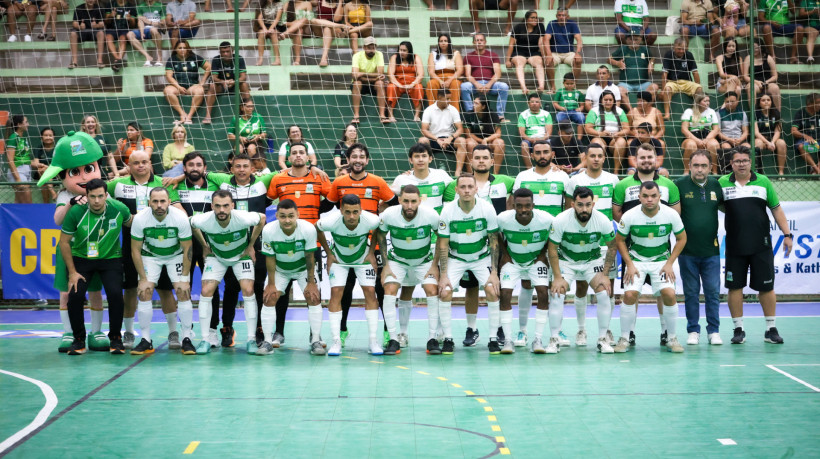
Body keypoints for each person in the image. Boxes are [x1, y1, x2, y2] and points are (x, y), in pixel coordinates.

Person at [39, 131, 107, 352]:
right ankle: (69, 332)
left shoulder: (102, 193)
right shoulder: (65, 196)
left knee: (95, 292)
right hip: (69, 249)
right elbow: (58, 220)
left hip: (94, 249)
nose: (84, 177)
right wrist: (71, 203)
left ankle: (96, 331)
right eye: (75, 172)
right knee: (66, 292)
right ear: (63, 176)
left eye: (89, 169)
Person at [441, 146, 515, 347]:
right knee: (469, 289)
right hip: (460, 252)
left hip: (488, 249)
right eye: (477, 157)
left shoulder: (505, 181)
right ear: (470, 161)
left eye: (485, 157)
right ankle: (469, 330)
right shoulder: (453, 188)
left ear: (492, 160)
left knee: (495, 288)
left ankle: (497, 331)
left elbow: (522, 191)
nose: (481, 161)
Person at [108, 150, 180, 349]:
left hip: (161, 246)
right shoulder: (117, 185)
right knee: (131, 289)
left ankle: (173, 333)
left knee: (165, 290)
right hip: (131, 246)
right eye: (136, 163)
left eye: (144, 162)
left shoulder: (163, 184)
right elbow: (96, 193)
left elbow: (178, 211)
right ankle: (129, 333)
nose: (140, 165)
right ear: (129, 166)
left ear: (150, 163)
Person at [721, 148, 793, 344]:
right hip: (735, 246)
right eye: (737, 161)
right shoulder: (722, 183)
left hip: (761, 245)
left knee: (766, 287)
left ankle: (771, 329)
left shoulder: (763, 182)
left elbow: (776, 209)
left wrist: (787, 234)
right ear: (731, 164)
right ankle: (738, 329)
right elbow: (717, 206)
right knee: (735, 287)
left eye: (745, 160)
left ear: (750, 162)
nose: (741, 164)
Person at [612, 144, 681, 347]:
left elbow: (676, 214)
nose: (646, 161)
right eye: (642, 157)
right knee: (631, 293)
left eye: (650, 157)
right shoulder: (623, 185)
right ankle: (629, 334)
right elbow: (617, 213)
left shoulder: (669, 185)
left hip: (660, 247)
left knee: (663, 292)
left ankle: (666, 333)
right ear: (635, 160)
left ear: (656, 159)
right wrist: (634, 227)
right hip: (633, 249)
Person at [205, 154, 276, 346]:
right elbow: (203, 173)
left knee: (257, 287)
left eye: (246, 166)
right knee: (231, 287)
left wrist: (315, 168)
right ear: (232, 169)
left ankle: (259, 329)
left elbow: (288, 171)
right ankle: (227, 328)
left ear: (253, 168)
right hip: (232, 244)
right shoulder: (222, 181)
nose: (242, 170)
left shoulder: (263, 181)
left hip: (257, 244)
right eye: (238, 166)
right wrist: (178, 177)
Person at [265, 143, 331, 346]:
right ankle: (278, 333)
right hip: (284, 241)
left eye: (302, 152)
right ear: (288, 158)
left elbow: (332, 200)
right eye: (294, 153)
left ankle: (315, 335)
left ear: (308, 157)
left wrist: (316, 212)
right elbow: (266, 200)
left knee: (312, 290)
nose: (298, 155)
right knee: (281, 292)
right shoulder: (279, 178)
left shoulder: (319, 177)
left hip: (311, 242)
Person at [59, 178, 132, 355]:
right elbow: (64, 242)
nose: (97, 201)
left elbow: (133, 223)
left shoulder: (119, 208)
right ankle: (78, 340)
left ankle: (116, 338)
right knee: (75, 296)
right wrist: (72, 272)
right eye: (92, 197)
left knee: (115, 294)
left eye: (100, 196)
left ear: (106, 195)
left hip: (111, 259)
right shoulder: (76, 211)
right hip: (82, 259)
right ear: (87, 196)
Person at [190, 190, 266, 354]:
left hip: (241, 256)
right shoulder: (204, 219)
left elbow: (262, 218)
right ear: (212, 206)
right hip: (216, 257)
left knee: (248, 290)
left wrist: (251, 245)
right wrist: (204, 245)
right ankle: (205, 340)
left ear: (232, 205)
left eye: (225, 206)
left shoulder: (243, 218)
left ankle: (251, 339)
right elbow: (192, 224)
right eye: (217, 206)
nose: (222, 210)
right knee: (206, 291)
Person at [437, 173, 501, 355]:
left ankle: (493, 339)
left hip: (481, 258)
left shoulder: (487, 208)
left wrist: (494, 272)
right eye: (463, 187)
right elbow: (443, 244)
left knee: (492, 290)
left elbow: (494, 241)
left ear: (476, 189)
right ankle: (448, 339)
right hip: (456, 258)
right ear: (456, 190)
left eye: (470, 187)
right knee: (445, 291)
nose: (466, 190)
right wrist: (443, 275)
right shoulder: (447, 211)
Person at [548, 186, 618, 354]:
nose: (584, 209)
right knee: (557, 294)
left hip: (591, 261)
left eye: (588, 205)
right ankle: (554, 339)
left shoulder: (602, 220)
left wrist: (605, 275)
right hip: (566, 261)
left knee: (604, 293)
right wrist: (557, 276)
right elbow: (552, 249)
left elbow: (612, 246)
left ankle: (602, 339)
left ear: (593, 204)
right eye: (580, 205)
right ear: (573, 204)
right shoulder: (560, 220)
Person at [563, 143, 620, 346]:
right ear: (585, 158)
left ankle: (607, 329)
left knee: (607, 286)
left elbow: (616, 209)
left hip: (606, 241)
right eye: (592, 155)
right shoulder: (575, 180)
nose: (596, 159)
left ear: (604, 158)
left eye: (599, 156)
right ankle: (581, 330)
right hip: (582, 241)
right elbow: (567, 209)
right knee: (581, 286)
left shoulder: (613, 180)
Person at [375, 185, 441, 354]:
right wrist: (386, 265)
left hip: (424, 261)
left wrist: (435, 265)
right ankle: (394, 339)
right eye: (406, 201)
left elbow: (442, 236)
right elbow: (380, 235)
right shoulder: (389, 214)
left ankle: (432, 338)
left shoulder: (431, 215)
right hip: (397, 261)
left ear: (420, 201)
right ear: (399, 200)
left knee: (432, 291)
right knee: (389, 291)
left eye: (413, 201)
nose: (409, 205)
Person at [129, 187, 193, 355]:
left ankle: (187, 339)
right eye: (155, 201)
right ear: (149, 202)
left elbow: (188, 249)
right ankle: (146, 340)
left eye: (163, 201)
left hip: (176, 255)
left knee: (183, 291)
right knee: (144, 291)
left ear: (169, 202)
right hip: (150, 255)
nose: (159, 205)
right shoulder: (140, 218)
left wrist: (184, 278)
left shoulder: (180, 217)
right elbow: (135, 250)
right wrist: (143, 278)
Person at [317, 194, 382, 355]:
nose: (352, 216)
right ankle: (336, 341)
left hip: (363, 259)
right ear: (341, 211)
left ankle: (373, 341)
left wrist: (371, 252)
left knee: (371, 293)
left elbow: (378, 229)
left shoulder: (371, 220)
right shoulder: (330, 221)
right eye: (347, 212)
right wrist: (328, 253)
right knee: (336, 293)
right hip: (339, 261)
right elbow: (317, 229)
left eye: (355, 212)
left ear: (361, 210)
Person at [167, 151, 222, 342]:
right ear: (184, 168)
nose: (195, 168)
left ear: (205, 168)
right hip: (184, 246)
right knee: (184, 287)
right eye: (191, 165)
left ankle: (212, 330)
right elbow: (180, 214)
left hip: (210, 245)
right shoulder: (175, 186)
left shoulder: (215, 185)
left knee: (211, 286)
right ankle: (187, 330)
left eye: (199, 165)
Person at [259, 199, 324, 355]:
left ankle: (315, 340)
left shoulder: (308, 229)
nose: (287, 220)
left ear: (298, 215)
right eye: (282, 216)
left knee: (313, 297)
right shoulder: (268, 230)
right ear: (276, 215)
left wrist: (311, 282)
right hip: (280, 270)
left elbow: (310, 257)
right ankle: (267, 341)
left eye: (290, 216)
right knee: (269, 297)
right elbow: (270, 258)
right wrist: (271, 284)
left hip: (303, 269)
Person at [675, 150, 723, 346]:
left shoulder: (717, 185)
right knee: (691, 293)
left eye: (704, 166)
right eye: (696, 165)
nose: (700, 169)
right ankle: (693, 330)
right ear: (689, 166)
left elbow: (727, 208)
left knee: (712, 293)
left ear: (710, 167)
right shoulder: (679, 185)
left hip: (711, 251)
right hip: (687, 251)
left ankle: (714, 331)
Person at [497, 188, 552, 354]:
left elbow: (554, 237)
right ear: (513, 206)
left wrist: (543, 254)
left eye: (527, 206)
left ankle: (538, 339)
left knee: (543, 293)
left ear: (533, 205)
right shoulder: (502, 219)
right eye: (519, 206)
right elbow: (495, 235)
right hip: (512, 261)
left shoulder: (546, 219)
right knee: (505, 294)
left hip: (536, 260)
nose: (523, 210)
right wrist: (505, 254)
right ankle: (508, 340)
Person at [392, 143, 454, 214]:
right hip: (413, 220)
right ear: (411, 160)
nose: (420, 160)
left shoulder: (441, 175)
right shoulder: (401, 179)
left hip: (437, 220)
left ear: (430, 159)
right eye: (417, 156)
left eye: (424, 156)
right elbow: (389, 200)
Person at [461, 33, 510, 122]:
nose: (479, 42)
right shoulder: (468, 56)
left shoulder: (493, 55)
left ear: (485, 42)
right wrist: (476, 84)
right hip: (475, 85)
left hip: (490, 84)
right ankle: (470, 115)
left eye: (481, 40)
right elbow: (468, 74)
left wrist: (489, 84)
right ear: (473, 43)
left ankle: (500, 116)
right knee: (464, 86)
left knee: (504, 87)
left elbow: (498, 74)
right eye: (477, 40)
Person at [420, 88, 469, 176]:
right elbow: (424, 130)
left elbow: (460, 129)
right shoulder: (429, 110)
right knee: (422, 140)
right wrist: (437, 139)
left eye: (450, 98)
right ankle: (424, 171)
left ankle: (458, 172)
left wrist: (450, 138)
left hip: (449, 139)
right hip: (434, 139)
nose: (449, 101)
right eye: (447, 99)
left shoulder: (453, 109)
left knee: (461, 141)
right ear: (439, 97)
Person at [514, 140, 570, 217]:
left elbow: (569, 206)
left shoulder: (562, 176)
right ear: (532, 156)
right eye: (538, 153)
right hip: (530, 223)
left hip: (555, 223)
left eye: (546, 152)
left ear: (552, 154)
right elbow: (512, 204)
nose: (542, 156)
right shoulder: (522, 176)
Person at [164, 40, 210, 125]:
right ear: (176, 49)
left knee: (200, 90)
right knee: (167, 91)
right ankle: (182, 114)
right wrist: (178, 87)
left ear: (188, 49)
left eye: (184, 48)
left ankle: (189, 116)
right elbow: (169, 76)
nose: (182, 50)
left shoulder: (195, 57)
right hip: (177, 87)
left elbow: (209, 67)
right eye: (180, 48)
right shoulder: (171, 60)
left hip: (191, 87)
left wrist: (203, 81)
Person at [205, 42, 250, 125]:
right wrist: (223, 82)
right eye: (223, 52)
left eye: (227, 51)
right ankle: (208, 116)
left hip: (235, 85)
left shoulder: (239, 58)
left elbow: (243, 77)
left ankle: (247, 115)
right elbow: (214, 78)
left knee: (244, 84)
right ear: (220, 52)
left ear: (232, 51)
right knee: (212, 86)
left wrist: (234, 82)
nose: (225, 54)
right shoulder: (216, 60)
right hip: (221, 86)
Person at [585, 90, 629, 174]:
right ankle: (599, 171)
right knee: (598, 144)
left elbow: (626, 129)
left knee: (622, 142)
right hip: (599, 137)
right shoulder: (594, 111)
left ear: (614, 101)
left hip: (614, 139)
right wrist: (600, 133)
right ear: (601, 100)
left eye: (610, 100)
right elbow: (588, 128)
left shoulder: (620, 111)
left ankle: (616, 172)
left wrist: (618, 134)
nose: (608, 102)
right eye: (605, 100)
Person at [660, 38, 703, 120]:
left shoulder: (689, 55)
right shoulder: (669, 54)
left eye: (683, 49)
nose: (681, 51)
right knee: (667, 89)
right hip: (673, 82)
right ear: (674, 47)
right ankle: (667, 114)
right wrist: (663, 89)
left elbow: (695, 72)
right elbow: (664, 73)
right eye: (679, 49)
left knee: (699, 89)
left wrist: (697, 84)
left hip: (687, 82)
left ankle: (697, 113)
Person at [543, 8, 583, 93]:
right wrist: (549, 54)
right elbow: (546, 39)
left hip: (569, 53)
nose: (561, 17)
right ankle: (553, 87)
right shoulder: (551, 24)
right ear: (556, 16)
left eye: (563, 15)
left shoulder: (572, 24)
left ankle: (573, 86)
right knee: (548, 61)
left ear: (568, 16)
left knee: (578, 60)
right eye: (559, 15)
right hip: (555, 53)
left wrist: (577, 53)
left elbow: (579, 39)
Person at [506, 11, 546, 95]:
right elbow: (511, 45)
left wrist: (544, 57)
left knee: (539, 63)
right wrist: (507, 60)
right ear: (527, 19)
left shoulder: (540, 26)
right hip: (519, 52)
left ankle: (541, 87)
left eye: (536, 18)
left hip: (533, 52)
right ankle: (523, 87)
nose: (535, 19)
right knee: (519, 63)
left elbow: (541, 44)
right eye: (532, 17)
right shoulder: (518, 27)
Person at [609, 34, 658, 102]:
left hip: (643, 84)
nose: (633, 42)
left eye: (636, 39)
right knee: (618, 90)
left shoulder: (645, 49)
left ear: (640, 40)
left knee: (654, 87)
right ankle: (631, 108)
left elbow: (652, 58)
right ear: (627, 40)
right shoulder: (622, 49)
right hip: (625, 84)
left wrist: (651, 63)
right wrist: (617, 63)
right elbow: (609, 59)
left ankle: (647, 107)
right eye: (631, 39)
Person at [464, 95, 505, 173]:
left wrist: (486, 140)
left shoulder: (493, 114)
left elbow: (498, 133)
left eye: (476, 103)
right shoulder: (468, 114)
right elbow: (468, 133)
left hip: (489, 142)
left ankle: (495, 174)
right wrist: (481, 141)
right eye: (473, 103)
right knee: (469, 143)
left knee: (500, 143)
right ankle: (470, 174)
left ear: (483, 106)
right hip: (475, 141)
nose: (473, 105)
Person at [350, 36, 387, 124]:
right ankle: (356, 116)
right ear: (364, 47)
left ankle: (382, 116)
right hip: (361, 84)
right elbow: (354, 75)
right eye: (369, 48)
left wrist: (363, 74)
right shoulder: (357, 56)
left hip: (373, 84)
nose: (371, 50)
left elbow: (380, 73)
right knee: (357, 83)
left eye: (373, 48)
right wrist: (374, 78)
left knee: (380, 83)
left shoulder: (379, 54)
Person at [681, 93, 721, 173]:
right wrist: (697, 140)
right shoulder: (689, 111)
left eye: (708, 101)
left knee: (714, 144)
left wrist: (707, 139)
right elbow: (684, 129)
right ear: (698, 102)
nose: (707, 103)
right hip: (692, 136)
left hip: (708, 135)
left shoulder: (711, 111)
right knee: (691, 145)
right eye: (705, 101)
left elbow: (716, 129)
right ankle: (687, 171)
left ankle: (714, 172)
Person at [386, 41, 425, 123]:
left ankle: (417, 116)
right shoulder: (394, 57)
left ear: (409, 51)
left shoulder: (416, 57)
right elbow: (390, 74)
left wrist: (412, 84)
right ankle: (390, 115)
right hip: (398, 83)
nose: (401, 52)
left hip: (412, 84)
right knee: (391, 87)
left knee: (419, 87)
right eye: (400, 50)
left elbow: (421, 74)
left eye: (404, 50)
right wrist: (398, 84)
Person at [426, 33, 463, 110]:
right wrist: (440, 81)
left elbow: (460, 70)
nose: (443, 43)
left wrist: (449, 80)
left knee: (455, 84)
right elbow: (431, 72)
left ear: (449, 42)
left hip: (452, 77)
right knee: (431, 84)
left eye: (445, 41)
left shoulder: (456, 53)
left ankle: (453, 111)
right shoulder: (433, 54)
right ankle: (433, 111)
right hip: (437, 77)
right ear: (438, 43)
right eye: (441, 41)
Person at [755, 92, 787, 175]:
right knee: (758, 143)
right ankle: (757, 172)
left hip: (773, 139)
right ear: (759, 103)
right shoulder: (755, 114)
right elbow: (756, 132)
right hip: (761, 139)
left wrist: (772, 142)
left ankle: (781, 172)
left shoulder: (776, 113)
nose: (766, 102)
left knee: (781, 143)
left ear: (771, 102)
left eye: (768, 100)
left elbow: (777, 131)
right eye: (763, 100)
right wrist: (767, 142)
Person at [743, 41, 781, 110]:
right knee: (751, 88)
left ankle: (777, 114)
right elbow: (745, 76)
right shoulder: (748, 58)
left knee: (775, 88)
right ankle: (754, 114)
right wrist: (757, 82)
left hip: (767, 83)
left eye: (756, 48)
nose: (754, 49)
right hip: (754, 83)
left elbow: (775, 76)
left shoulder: (768, 58)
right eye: (752, 47)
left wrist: (767, 82)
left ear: (761, 47)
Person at [518, 93, 553, 168]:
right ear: (528, 103)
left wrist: (541, 139)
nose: (534, 104)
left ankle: (548, 167)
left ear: (540, 103)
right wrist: (530, 139)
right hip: (529, 140)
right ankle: (529, 169)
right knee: (524, 145)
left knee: (550, 144)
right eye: (532, 102)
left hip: (543, 139)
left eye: (537, 102)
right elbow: (522, 133)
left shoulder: (546, 114)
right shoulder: (523, 115)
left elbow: (549, 133)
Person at [717, 91, 751, 171]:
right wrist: (729, 140)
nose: (730, 103)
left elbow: (745, 131)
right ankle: (730, 170)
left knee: (747, 147)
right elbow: (718, 132)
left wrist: (740, 139)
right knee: (726, 147)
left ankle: (747, 169)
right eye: (727, 102)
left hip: (739, 139)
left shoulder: (742, 113)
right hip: (726, 140)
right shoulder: (719, 113)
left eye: (732, 101)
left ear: (737, 101)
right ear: (725, 102)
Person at [68, 0, 106, 70]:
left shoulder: (99, 8)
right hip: (82, 32)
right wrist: (80, 26)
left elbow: (102, 24)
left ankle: (100, 61)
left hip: (94, 32)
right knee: (73, 33)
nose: (90, 0)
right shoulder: (78, 8)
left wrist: (96, 25)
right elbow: (74, 23)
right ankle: (74, 62)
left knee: (101, 33)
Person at [127, 0, 165, 67]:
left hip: (155, 29)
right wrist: (142, 33)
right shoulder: (140, 6)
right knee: (129, 34)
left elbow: (163, 23)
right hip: (144, 29)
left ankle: (159, 58)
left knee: (153, 30)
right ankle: (148, 57)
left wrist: (149, 22)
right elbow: (140, 20)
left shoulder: (161, 6)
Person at [5, 114, 33, 204]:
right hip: (18, 172)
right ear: (19, 124)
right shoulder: (13, 137)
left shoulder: (23, 139)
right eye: (26, 122)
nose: (28, 124)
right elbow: (10, 160)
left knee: (19, 202)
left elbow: (23, 159)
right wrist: (18, 179)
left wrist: (38, 164)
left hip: (26, 171)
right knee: (27, 203)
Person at [627, 91, 666, 156]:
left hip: (652, 138)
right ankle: (632, 161)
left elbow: (662, 129)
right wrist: (635, 135)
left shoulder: (656, 112)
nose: (639, 103)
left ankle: (659, 162)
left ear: (649, 103)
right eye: (638, 101)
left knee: (661, 143)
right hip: (636, 138)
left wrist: (654, 138)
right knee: (629, 143)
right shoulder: (632, 112)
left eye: (642, 101)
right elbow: (627, 129)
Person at [79, 114, 117, 178]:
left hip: (102, 174)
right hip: (86, 175)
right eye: (88, 122)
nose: (91, 124)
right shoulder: (79, 140)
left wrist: (116, 174)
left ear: (96, 125)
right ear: (83, 126)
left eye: (93, 122)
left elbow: (110, 157)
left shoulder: (103, 139)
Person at [104, 0, 138, 72]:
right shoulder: (110, 4)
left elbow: (133, 25)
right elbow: (106, 22)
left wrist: (130, 19)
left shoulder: (131, 6)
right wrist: (110, 16)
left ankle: (117, 61)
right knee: (108, 38)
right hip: (111, 29)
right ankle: (118, 60)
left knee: (123, 39)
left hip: (124, 29)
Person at [791, 92, 820, 174]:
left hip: (818, 140)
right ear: (809, 104)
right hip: (805, 141)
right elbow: (793, 131)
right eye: (818, 102)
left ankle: (817, 169)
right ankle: (816, 170)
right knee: (801, 146)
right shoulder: (800, 113)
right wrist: (805, 136)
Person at [551, 73, 585, 140]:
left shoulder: (578, 93)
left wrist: (580, 109)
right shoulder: (560, 91)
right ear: (563, 83)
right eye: (567, 84)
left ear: (575, 83)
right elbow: (555, 103)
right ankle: (561, 138)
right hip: (563, 111)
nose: (569, 85)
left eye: (571, 84)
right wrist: (560, 108)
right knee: (559, 118)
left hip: (575, 111)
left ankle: (579, 140)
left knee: (581, 118)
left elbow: (582, 105)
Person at [254, 0, 286, 66]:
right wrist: (264, 28)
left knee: (273, 33)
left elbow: (277, 19)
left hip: (275, 25)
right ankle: (260, 59)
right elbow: (259, 18)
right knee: (261, 33)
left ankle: (277, 60)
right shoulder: (262, 4)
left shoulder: (279, 4)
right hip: (264, 25)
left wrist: (271, 28)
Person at [31, 127, 57, 203]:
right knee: (42, 170)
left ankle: (46, 202)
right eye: (46, 135)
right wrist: (44, 166)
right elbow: (36, 163)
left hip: (56, 173)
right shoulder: (38, 148)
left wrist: (49, 168)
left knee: (44, 171)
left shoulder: (57, 148)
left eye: (50, 135)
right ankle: (52, 193)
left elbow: (60, 163)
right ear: (41, 137)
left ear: (54, 137)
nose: (48, 137)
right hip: (41, 172)